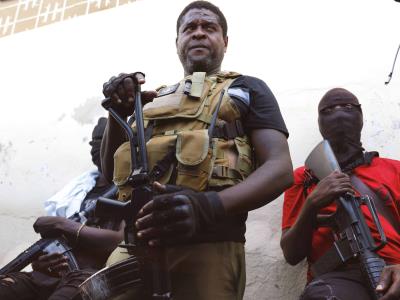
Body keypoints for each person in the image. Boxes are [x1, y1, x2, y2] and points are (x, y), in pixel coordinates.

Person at [100, 1, 293, 299]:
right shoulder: (150, 100)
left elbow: (279, 169)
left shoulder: (247, 88)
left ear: (225, 42)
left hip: (211, 244)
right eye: (189, 28)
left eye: (209, 28)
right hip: (135, 247)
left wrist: (207, 207)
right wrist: (117, 113)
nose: (199, 33)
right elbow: (110, 173)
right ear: (177, 42)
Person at [280, 88, 400, 300]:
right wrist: (312, 205)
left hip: (395, 267)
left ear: (360, 118)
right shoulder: (303, 178)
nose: (338, 112)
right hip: (339, 276)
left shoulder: (394, 170)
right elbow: (291, 254)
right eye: (329, 109)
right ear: (320, 123)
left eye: (347, 107)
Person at [0, 117, 124, 300]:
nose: (99, 148)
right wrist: (42, 262)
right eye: (95, 143)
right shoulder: (78, 190)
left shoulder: (130, 189)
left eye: (104, 142)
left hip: (90, 276)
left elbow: (121, 241)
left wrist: (63, 224)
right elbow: (55, 244)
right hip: (47, 277)